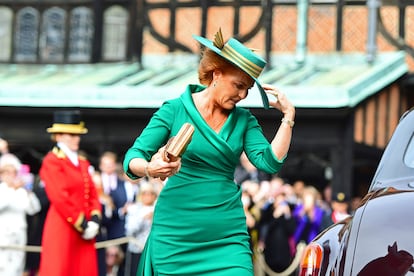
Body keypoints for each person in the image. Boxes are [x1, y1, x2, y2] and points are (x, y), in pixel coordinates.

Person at [123, 28, 295, 275]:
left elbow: (270, 162)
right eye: (238, 85)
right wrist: (150, 167)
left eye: (247, 88)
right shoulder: (174, 109)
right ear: (216, 74)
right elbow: (132, 158)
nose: (243, 95)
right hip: (176, 233)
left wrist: (288, 117)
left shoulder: (244, 120)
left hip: (227, 236)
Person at [38, 110, 102, 276]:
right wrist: (82, 223)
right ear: (58, 136)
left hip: (85, 229)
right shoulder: (52, 161)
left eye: (78, 135)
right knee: (60, 270)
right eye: (71, 135)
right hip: (63, 227)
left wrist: (95, 218)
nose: (77, 139)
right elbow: (60, 197)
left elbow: (92, 192)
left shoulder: (82, 162)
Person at [0, 153, 41, 276]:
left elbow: (34, 209)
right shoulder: (2, 189)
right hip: (3, 236)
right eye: (7, 172)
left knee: (17, 267)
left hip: (20, 235)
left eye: (13, 172)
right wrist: (12, 189)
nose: (10, 175)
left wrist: (29, 192)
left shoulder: (22, 191)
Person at [125, 180, 158, 276]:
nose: (148, 196)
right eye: (145, 193)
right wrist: (143, 219)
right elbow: (129, 231)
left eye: (151, 193)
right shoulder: (134, 209)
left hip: (152, 251)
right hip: (136, 250)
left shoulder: (157, 209)